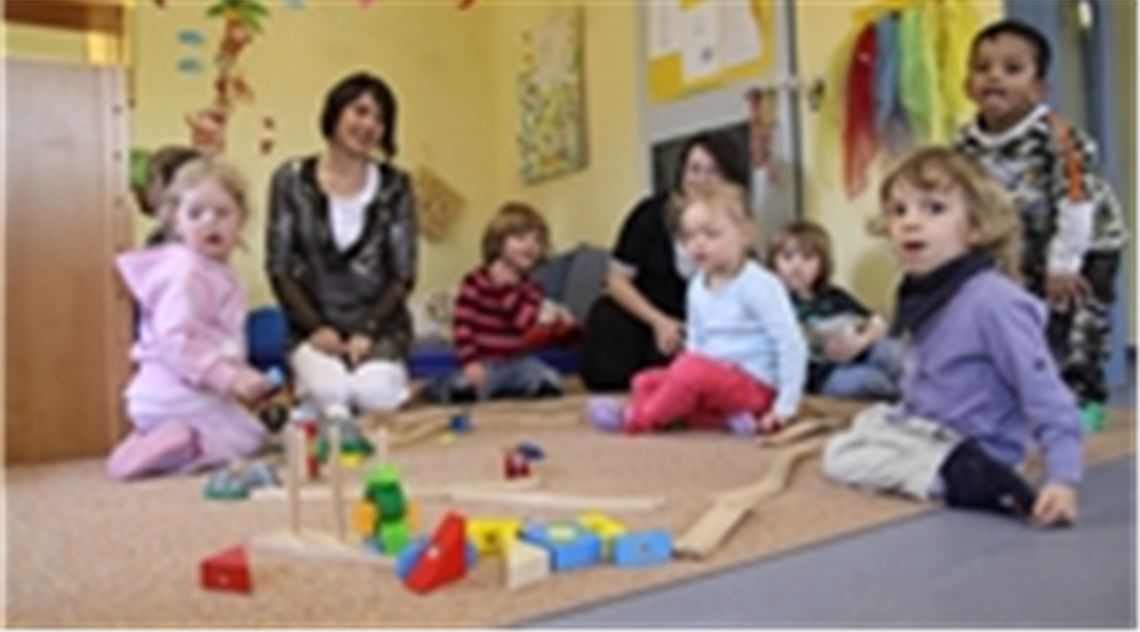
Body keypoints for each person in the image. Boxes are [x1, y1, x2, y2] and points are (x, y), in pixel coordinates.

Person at [822, 147, 1082, 527]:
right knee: (854, 437)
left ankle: (969, 479)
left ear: (975, 227)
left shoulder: (994, 301)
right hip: (926, 427)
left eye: (934, 209)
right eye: (899, 211)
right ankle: (943, 467)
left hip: (980, 443)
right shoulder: (926, 293)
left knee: (844, 458)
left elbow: (1044, 392)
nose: (910, 222)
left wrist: (1062, 477)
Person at [955, 19, 1126, 431]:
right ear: (968, 85)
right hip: (1022, 245)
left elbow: (1076, 201)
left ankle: (1084, 397)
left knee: (1078, 323)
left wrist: (1064, 263)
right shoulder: (965, 143)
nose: (994, 76)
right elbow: (967, 202)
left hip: (1085, 243)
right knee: (1025, 322)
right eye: (982, 68)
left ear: (1038, 88)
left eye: (1012, 69)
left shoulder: (1058, 138)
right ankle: (1027, 395)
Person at [587, 181, 806, 435]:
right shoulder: (697, 287)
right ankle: (725, 419)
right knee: (645, 381)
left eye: (711, 235)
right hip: (714, 380)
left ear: (744, 235)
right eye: (689, 236)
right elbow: (697, 343)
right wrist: (681, 372)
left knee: (689, 374)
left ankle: (638, 419)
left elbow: (791, 344)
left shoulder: (759, 285)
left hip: (756, 387)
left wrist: (785, 407)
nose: (698, 244)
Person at [108, 158, 270, 479]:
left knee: (246, 426)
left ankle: (152, 440)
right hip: (175, 394)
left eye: (222, 213)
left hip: (168, 398)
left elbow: (218, 338)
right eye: (196, 214)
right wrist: (228, 377)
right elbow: (176, 340)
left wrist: (240, 377)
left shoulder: (215, 271)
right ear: (176, 223)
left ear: (241, 219)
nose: (210, 222)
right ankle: (189, 445)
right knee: (248, 437)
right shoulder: (188, 273)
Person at [266, 72, 417, 414]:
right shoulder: (290, 180)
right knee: (330, 393)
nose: (368, 125)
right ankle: (306, 394)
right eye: (360, 111)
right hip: (312, 328)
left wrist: (367, 330)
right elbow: (280, 268)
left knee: (374, 396)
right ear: (335, 113)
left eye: (379, 119)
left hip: (380, 329)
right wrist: (316, 328)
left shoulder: (395, 186)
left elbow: (403, 275)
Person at [579, 132, 750, 392]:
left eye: (713, 171)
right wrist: (659, 322)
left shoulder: (736, 225)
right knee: (607, 321)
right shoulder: (649, 214)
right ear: (682, 173)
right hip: (645, 313)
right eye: (694, 169)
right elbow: (616, 281)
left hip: (696, 323)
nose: (702, 179)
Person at [425, 203, 567, 403]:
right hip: (483, 363)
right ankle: (443, 386)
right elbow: (462, 325)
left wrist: (505, 289)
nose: (530, 246)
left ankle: (518, 388)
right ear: (498, 243)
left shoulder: (532, 289)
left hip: (517, 362)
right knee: (463, 384)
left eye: (537, 240)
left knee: (548, 378)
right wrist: (470, 361)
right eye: (520, 238)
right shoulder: (475, 281)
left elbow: (523, 322)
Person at [768, 220, 903, 400]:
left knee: (892, 351)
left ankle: (920, 392)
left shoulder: (833, 295)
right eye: (787, 257)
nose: (796, 266)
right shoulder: (771, 301)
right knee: (871, 381)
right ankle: (908, 397)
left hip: (856, 356)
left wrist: (860, 342)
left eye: (807, 258)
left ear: (822, 264)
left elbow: (878, 322)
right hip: (823, 377)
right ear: (774, 263)